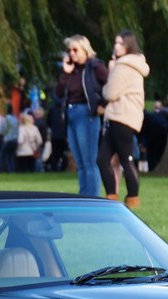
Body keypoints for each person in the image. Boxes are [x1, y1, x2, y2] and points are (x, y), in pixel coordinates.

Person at [97, 29, 149, 207]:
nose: (116, 46)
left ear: (128, 46)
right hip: (123, 117)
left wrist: (111, 71)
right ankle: (112, 196)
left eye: (120, 43)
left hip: (122, 117)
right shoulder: (134, 65)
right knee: (104, 159)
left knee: (125, 159)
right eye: (115, 42)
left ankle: (132, 198)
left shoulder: (123, 66)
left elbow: (110, 92)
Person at [56, 35, 108, 196]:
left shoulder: (94, 66)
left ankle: (92, 197)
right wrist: (65, 73)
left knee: (89, 160)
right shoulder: (71, 70)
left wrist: (102, 105)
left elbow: (111, 84)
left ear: (85, 50)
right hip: (71, 113)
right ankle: (83, 195)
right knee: (79, 161)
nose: (71, 53)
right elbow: (58, 93)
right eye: (69, 50)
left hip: (86, 114)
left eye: (75, 49)